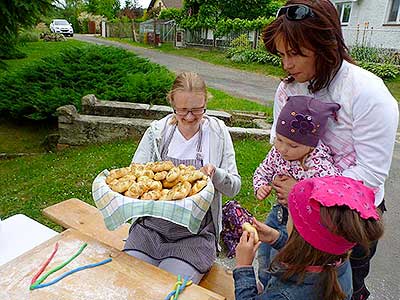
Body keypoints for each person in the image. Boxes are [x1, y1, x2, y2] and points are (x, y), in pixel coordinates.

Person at [262, 1, 399, 298]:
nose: (286, 64)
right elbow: (280, 141)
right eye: (282, 54)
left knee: (341, 289)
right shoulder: (288, 89)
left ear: (326, 46)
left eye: (296, 54)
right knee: (281, 279)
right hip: (291, 210)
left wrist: (304, 191)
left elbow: (370, 174)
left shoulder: (369, 94)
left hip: (347, 220)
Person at [123, 72, 241, 284]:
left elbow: (234, 187)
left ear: (206, 102)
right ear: (172, 103)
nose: (188, 117)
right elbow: (134, 175)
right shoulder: (157, 132)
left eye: (197, 110)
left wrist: (216, 175)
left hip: (194, 235)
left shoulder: (218, 133)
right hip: (150, 229)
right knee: (130, 281)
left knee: (169, 287)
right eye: (182, 110)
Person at [234, 176, 384, 300]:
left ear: (301, 237)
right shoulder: (337, 262)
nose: (287, 222)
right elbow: (312, 250)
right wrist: (276, 238)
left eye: (290, 218)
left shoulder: (285, 296)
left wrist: (243, 267)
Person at [253, 94, 341, 288]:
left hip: (300, 225)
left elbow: (328, 195)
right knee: (265, 253)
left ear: (311, 144)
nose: (283, 149)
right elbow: (263, 170)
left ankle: (274, 290)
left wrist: (298, 190)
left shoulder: (319, 163)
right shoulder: (277, 152)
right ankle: (263, 285)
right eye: (279, 139)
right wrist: (260, 186)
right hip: (277, 213)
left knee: (283, 261)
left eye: (293, 145)